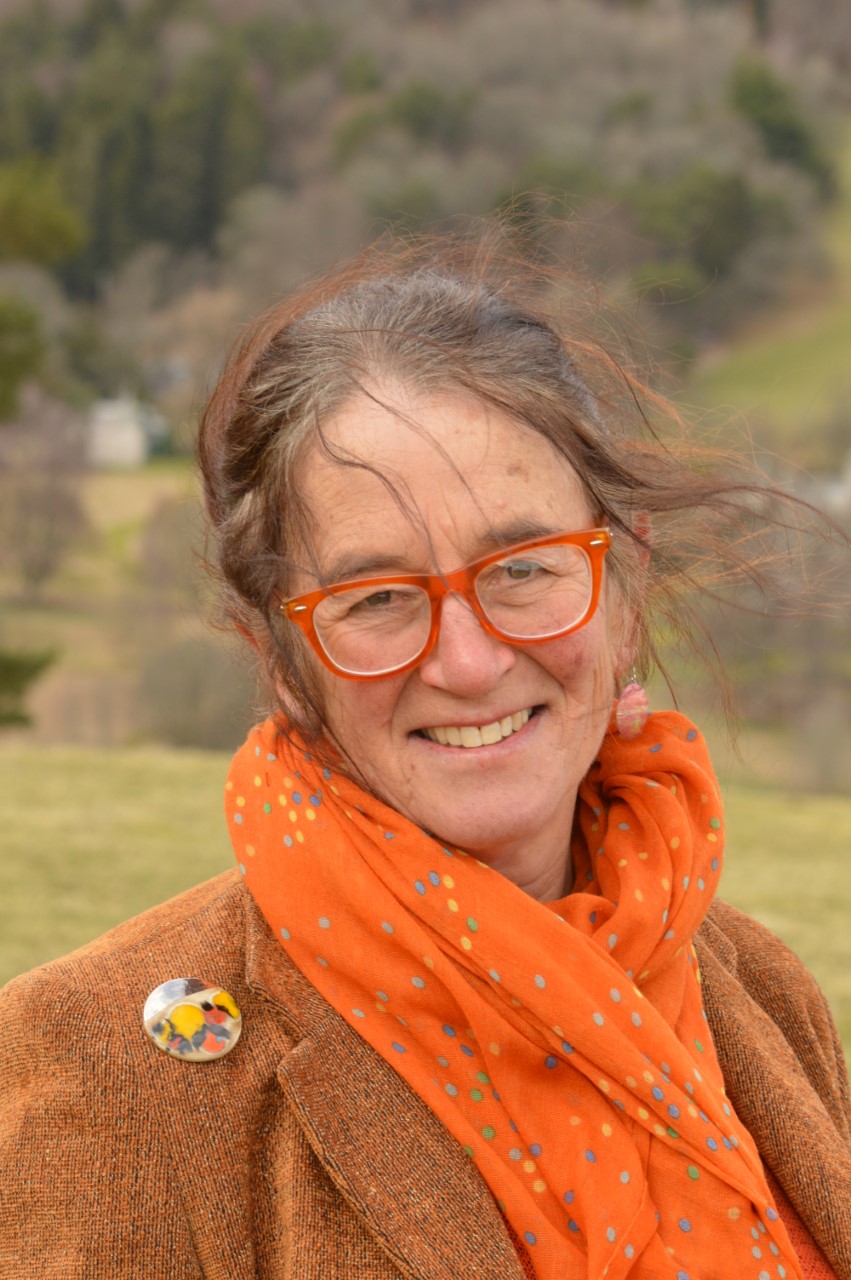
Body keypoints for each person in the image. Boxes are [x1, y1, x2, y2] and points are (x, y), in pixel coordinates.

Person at [1, 233, 849, 1280]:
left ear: (622, 589)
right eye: (377, 597)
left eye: (524, 568)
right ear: (279, 654)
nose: (468, 658)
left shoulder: (760, 991)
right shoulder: (96, 1065)